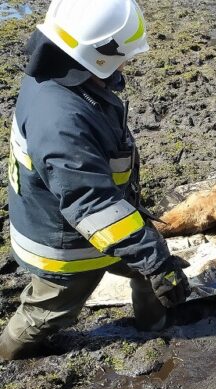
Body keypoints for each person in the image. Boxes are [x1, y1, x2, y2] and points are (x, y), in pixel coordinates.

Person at [0, 0, 191, 361]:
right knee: (47, 312)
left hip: (87, 216)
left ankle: (157, 327)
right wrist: (155, 259)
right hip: (65, 244)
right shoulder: (61, 120)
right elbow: (92, 203)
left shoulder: (57, 67)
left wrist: (152, 258)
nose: (126, 64)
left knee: (147, 266)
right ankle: (8, 354)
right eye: (121, 56)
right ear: (98, 55)